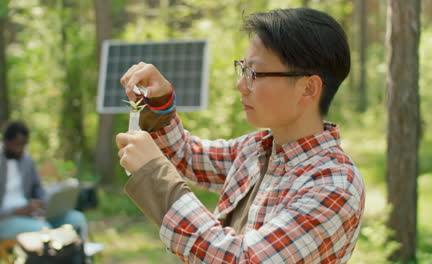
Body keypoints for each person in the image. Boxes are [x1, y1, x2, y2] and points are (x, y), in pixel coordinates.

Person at [117, 8, 365, 263]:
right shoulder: (258, 148)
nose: (240, 85)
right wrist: (159, 102)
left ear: (308, 88)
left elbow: (243, 259)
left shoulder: (333, 185)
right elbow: (187, 157)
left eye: (254, 74)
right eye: (242, 69)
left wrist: (156, 177)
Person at [0, 120, 87, 240]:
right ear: (5, 141)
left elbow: (38, 188)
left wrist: (45, 203)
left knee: (76, 218)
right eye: (17, 145)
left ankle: (80, 257)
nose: (20, 149)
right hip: (6, 219)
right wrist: (16, 211)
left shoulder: (26, 160)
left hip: (31, 214)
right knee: (43, 229)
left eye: (24, 145)